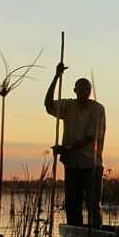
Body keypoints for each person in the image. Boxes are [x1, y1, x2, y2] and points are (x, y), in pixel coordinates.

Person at [45, 62, 106, 228]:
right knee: (72, 206)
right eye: (80, 89)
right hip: (72, 165)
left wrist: (66, 148)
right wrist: (56, 76)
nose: (83, 93)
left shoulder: (97, 109)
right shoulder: (68, 106)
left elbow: (91, 137)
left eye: (87, 90)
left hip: (91, 165)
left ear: (90, 91)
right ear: (75, 91)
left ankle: (96, 236)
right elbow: (48, 105)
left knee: (93, 205)